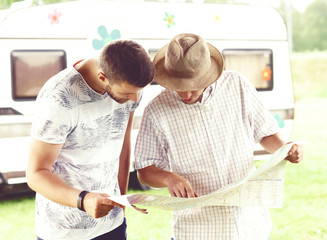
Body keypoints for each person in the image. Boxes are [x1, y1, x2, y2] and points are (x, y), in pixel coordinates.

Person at [134, 33, 303, 240]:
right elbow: (145, 171)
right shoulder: (156, 110)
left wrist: (286, 149)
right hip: (196, 229)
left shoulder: (237, 85)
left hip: (249, 223)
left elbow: (267, 135)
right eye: (178, 88)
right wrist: (169, 178)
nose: (186, 95)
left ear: (207, 75)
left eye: (193, 87)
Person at [26, 39, 154, 240]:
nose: (135, 100)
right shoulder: (58, 97)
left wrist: (121, 201)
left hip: (112, 225)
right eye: (128, 93)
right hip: (63, 232)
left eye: (138, 92)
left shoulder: (131, 85)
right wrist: (83, 200)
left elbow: (123, 146)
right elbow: (35, 174)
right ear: (102, 77)